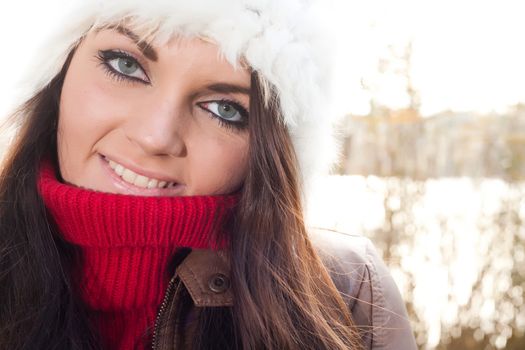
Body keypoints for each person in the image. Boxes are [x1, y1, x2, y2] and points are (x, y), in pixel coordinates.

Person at [0, 0, 417, 349]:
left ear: (268, 152)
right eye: (125, 65)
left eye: (225, 109)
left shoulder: (347, 293)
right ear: (59, 72)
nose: (154, 136)